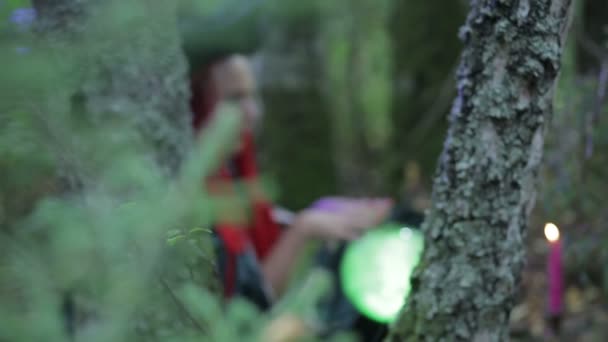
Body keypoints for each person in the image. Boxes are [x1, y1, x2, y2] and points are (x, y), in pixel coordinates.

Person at [189, 54, 392, 309]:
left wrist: (322, 211)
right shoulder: (186, 202)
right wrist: (303, 230)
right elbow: (244, 311)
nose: (252, 113)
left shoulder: (230, 175)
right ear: (194, 104)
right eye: (233, 99)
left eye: (252, 96)